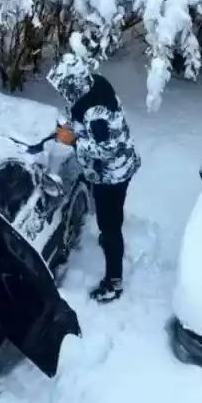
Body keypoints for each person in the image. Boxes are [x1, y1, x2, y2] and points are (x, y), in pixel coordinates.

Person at [46, 54, 141, 303]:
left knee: (110, 227)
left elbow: (107, 149)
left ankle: (114, 282)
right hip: (114, 167)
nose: (62, 93)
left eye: (64, 88)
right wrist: (69, 127)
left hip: (112, 175)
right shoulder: (93, 84)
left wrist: (74, 140)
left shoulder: (96, 113)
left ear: (73, 85)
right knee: (110, 215)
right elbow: (80, 114)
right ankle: (111, 232)